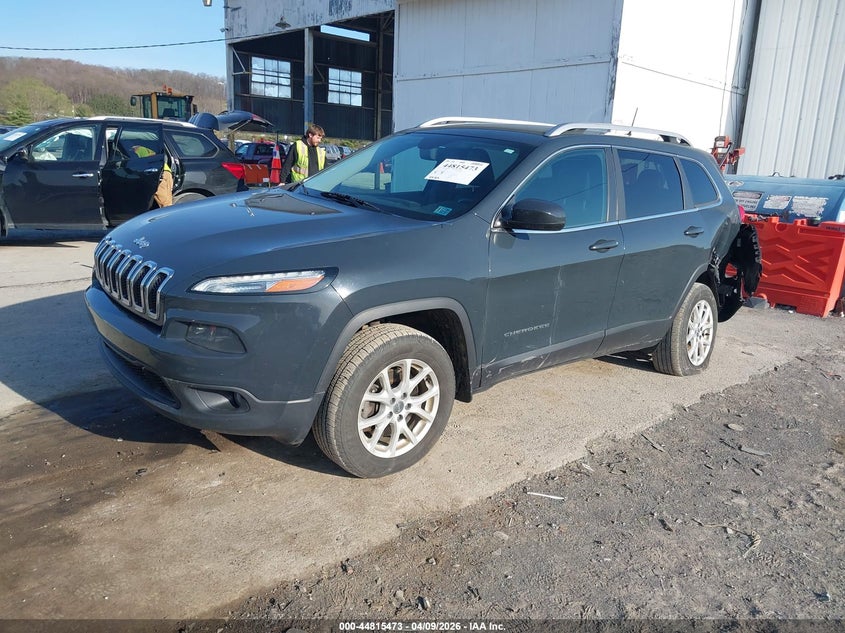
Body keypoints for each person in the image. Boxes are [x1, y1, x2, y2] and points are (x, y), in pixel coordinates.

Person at [132, 143, 173, 208]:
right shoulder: (145, 148)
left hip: (160, 173)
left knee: (165, 204)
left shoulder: (135, 150)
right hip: (162, 171)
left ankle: (169, 217)